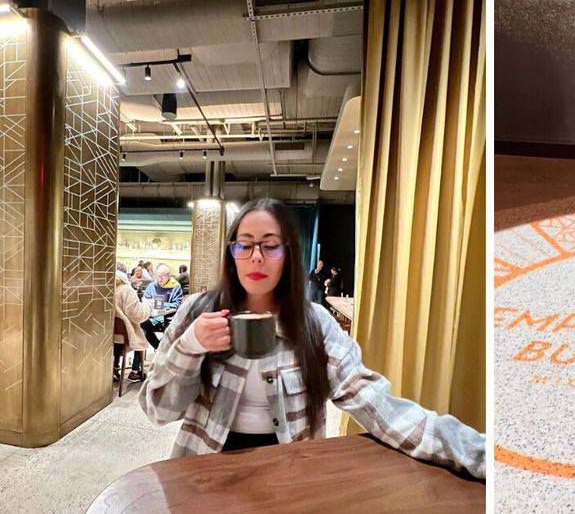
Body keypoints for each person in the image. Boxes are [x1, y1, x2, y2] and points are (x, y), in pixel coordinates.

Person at [138, 198, 484, 477]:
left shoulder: (314, 324)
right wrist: (191, 346)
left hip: (292, 475)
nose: (256, 256)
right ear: (232, 255)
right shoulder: (199, 311)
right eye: (244, 246)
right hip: (205, 471)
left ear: (288, 255)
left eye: (270, 246)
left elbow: (378, 405)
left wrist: (477, 453)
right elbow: (160, 411)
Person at [128, 264, 184, 381]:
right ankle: (136, 369)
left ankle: (165, 366)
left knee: (168, 332)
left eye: (162, 277)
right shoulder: (152, 285)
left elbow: (177, 304)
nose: (159, 280)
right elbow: (145, 299)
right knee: (141, 328)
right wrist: (151, 305)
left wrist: (163, 305)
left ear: (168, 276)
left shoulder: (175, 286)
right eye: (157, 276)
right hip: (154, 316)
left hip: (169, 317)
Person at [113, 263, 152, 382]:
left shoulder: (107, 286)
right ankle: (135, 371)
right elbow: (137, 315)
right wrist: (148, 306)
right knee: (143, 331)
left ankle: (115, 367)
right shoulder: (126, 289)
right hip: (125, 335)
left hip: (108, 333)